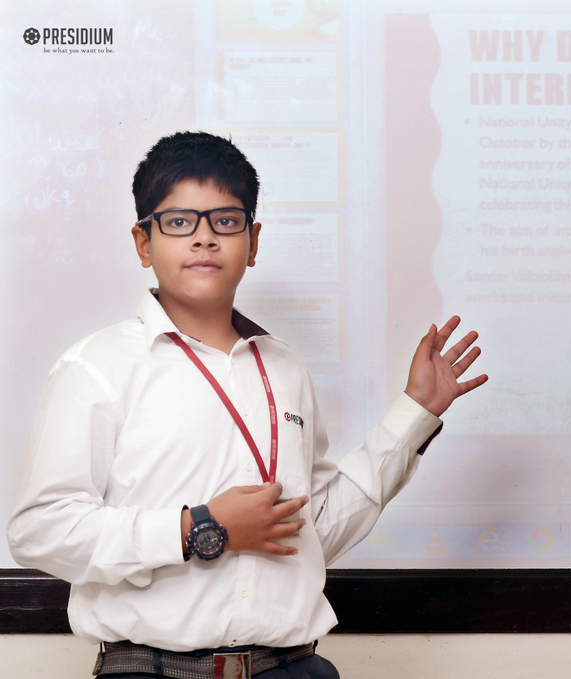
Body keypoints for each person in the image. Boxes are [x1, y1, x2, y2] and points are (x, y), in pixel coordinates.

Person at [6, 131, 486, 679]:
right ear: (143, 243)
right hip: (151, 672)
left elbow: (310, 531)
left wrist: (415, 412)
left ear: (253, 242)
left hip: (293, 669)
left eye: (226, 221)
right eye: (179, 221)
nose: (205, 239)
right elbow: (40, 528)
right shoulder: (96, 367)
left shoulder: (284, 370)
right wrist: (199, 528)